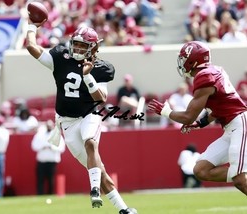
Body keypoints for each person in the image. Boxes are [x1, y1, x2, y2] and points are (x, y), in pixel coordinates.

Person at [26, 18, 137, 213]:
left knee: (90, 143)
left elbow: (100, 98)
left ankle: (94, 190)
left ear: (93, 49)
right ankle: (124, 209)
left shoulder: (101, 68)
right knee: (100, 171)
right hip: (66, 123)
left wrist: (87, 76)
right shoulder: (61, 57)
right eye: (75, 44)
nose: (77, 49)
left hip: (89, 114)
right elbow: (32, 47)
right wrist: (31, 27)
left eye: (82, 45)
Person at [148, 41, 247, 196]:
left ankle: (240, 173)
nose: (182, 63)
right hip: (232, 127)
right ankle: (239, 173)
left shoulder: (204, 76)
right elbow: (219, 108)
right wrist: (200, 123)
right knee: (201, 170)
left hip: (240, 123)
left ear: (193, 60)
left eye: (184, 59)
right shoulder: (215, 71)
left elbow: (188, 116)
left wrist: (166, 112)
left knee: (240, 180)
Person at [31, 120, 66, 195]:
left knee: (51, 179)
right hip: (41, 160)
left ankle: (50, 193)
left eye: (50, 125)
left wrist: (52, 148)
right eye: (47, 125)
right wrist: (42, 147)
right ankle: (40, 194)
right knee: (40, 179)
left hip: (52, 161)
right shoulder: (39, 134)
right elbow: (34, 145)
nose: (49, 127)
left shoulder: (57, 135)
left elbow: (62, 148)